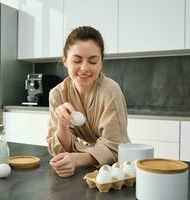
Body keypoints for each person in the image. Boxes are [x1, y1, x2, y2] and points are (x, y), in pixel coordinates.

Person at [46, 26, 130, 177]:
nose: (84, 68)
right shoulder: (57, 94)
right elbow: (58, 149)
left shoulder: (110, 91)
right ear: (65, 61)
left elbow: (115, 146)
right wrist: (62, 124)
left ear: (101, 63)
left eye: (92, 61)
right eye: (77, 60)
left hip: (115, 169)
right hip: (86, 165)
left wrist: (76, 159)